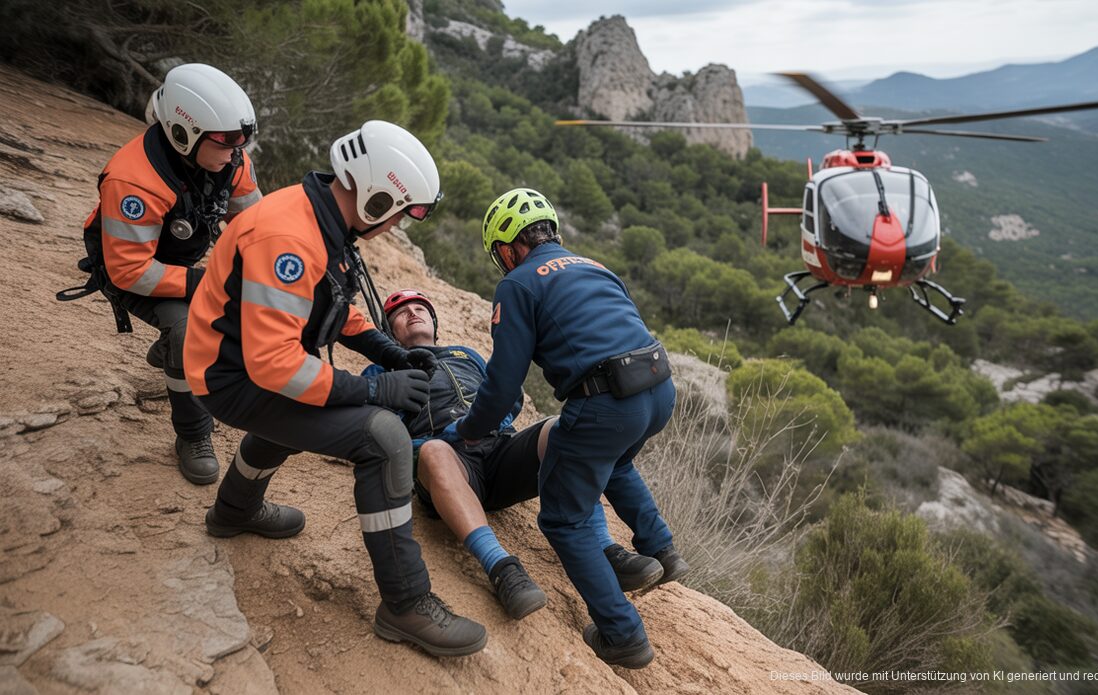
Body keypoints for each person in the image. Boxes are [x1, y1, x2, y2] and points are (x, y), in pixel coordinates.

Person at [183, 120, 487, 657]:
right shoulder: (289, 238)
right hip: (230, 377)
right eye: (401, 212)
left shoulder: (319, 215)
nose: (396, 225)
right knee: (384, 438)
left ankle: (234, 510)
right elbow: (276, 368)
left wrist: (387, 350)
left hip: (236, 362)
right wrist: (372, 392)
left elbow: (329, 302)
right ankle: (405, 602)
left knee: (301, 416)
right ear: (377, 195)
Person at [453, 188, 688, 669]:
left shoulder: (517, 284)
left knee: (564, 519)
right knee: (614, 460)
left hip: (604, 401)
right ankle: (661, 549)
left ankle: (623, 636)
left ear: (507, 246)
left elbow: (502, 385)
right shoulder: (596, 266)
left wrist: (469, 431)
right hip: (658, 388)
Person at [365, 290, 673, 620]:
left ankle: (606, 549)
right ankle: (502, 568)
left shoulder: (464, 354)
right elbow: (380, 427)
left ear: (435, 323)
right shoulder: (381, 371)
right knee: (435, 451)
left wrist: (487, 423)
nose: (413, 313)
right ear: (388, 331)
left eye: (420, 308)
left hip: (499, 450)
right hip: (449, 463)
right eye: (401, 312)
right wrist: (422, 443)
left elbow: (507, 394)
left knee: (563, 430)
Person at [62, 63, 262, 485]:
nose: (237, 151)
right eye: (226, 143)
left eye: (242, 141)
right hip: (130, 268)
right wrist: (209, 283)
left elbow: (253, 223)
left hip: (177, 260)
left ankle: (171, 353)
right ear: (184, 133)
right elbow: (130, 271)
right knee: (189, 330)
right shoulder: (134, 181)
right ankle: (192, 435)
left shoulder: (230, 159)